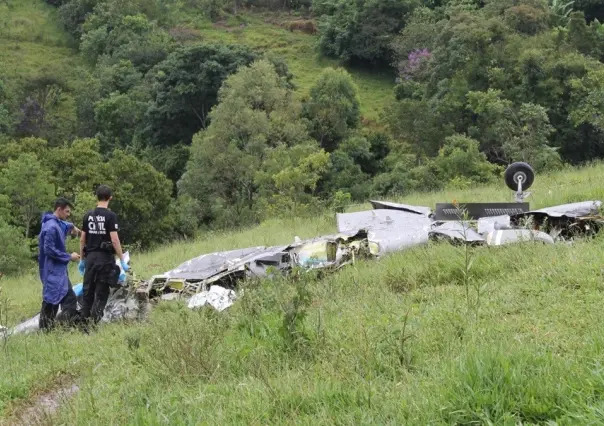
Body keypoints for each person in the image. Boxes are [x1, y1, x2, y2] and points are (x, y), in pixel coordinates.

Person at [79, 185, 129, 324]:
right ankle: (93, 325)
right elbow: (114, 239)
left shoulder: (88, 215)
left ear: (97, 197)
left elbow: (82, 239)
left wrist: (82, 260)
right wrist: (122, 259)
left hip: (90, 258)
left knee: (88, 291)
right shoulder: (110, 216)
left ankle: (83, 323)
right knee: (101, 293)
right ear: (110, 198)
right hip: (104, 259)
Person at [38, 198, 81, 331]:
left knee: (60, 300)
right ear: (59, 209)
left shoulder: (55, 222)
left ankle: (49, 330)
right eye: (67, 211)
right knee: (54, 301)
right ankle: (55, 329)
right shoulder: (51, 227)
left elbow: (65, 225)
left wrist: (73, 228)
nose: (68, 214)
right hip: (52, 271)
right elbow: (49, 250)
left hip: (58, 271)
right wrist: (69, 257)